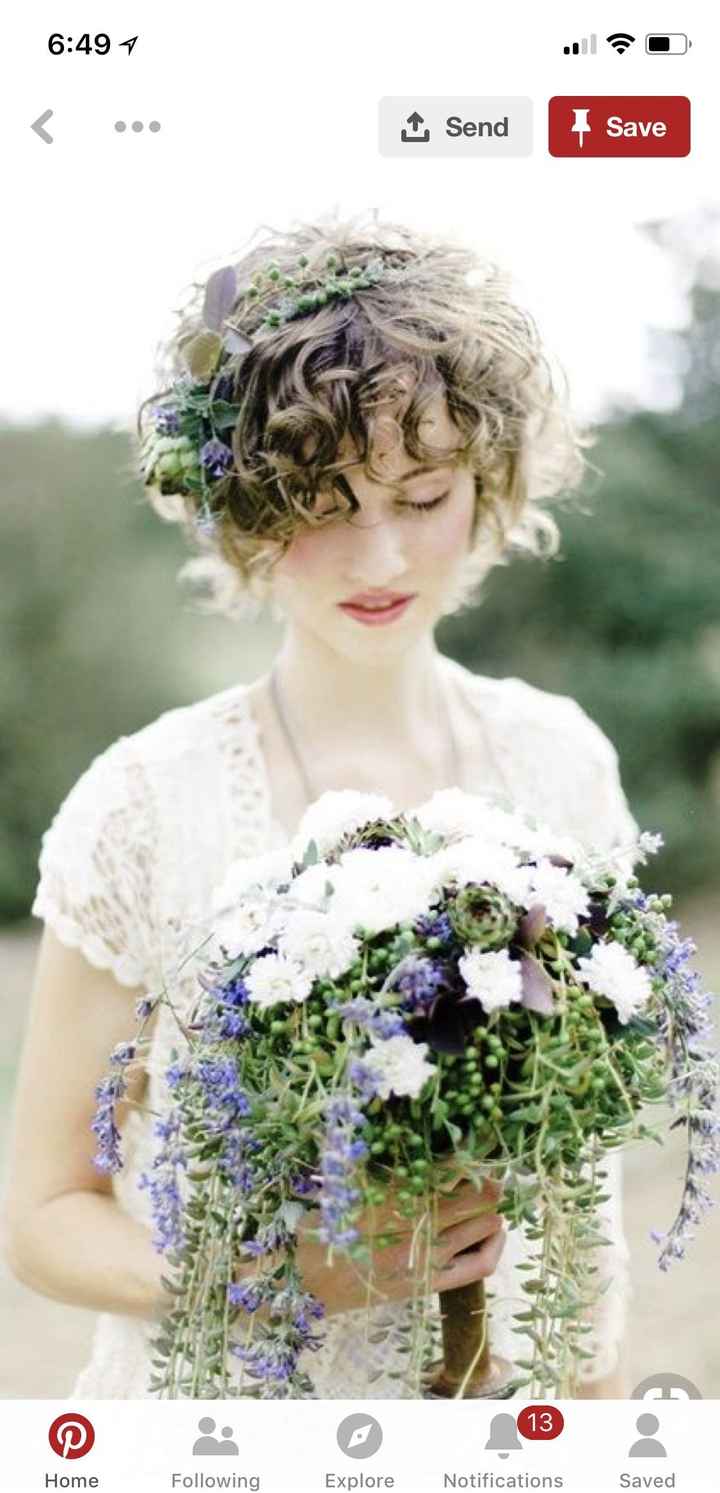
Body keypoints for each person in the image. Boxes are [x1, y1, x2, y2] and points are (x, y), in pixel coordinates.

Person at [3, 214, 638, 1399]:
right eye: (322, 503)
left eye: (424, 491)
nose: (382, 557)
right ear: (238, 510)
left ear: (489, 482)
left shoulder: (563, 762)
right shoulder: (142, 803)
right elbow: (44, 1212)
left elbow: (581, 1186)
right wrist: (277, 1277)